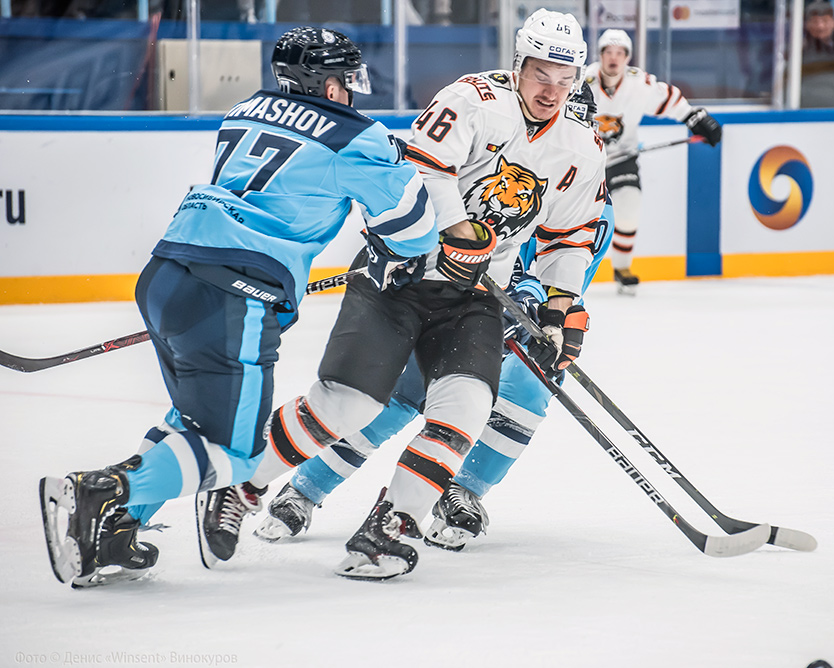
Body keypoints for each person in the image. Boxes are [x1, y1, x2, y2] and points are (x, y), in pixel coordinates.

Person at [38, 26, 439, 588]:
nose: (352, 92)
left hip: (167, 271)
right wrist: (402, 255)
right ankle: (102, 490)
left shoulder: (246, 109)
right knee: (238, 453)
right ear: (325, 84)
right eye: (346, 81)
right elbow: (413, 222)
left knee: (195, 418)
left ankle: (115, 531)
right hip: (234, 294)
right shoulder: (356, 136)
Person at [213, 9, 608, 581]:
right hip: (401, 273)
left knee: (467, 406)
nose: (551, 89)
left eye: (564, 77)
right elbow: (421, 169)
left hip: (474, 295)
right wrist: (453, 231)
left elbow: (568, 236)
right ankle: (241, 488)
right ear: (519, 65)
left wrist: (558, 306)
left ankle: (392, 524)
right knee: (348, 405)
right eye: (541, 73)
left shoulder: (582, 147)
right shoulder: (472, 99)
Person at [254, 186, 615, 551]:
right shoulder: (493, 150)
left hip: (523, 308)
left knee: (534, 383)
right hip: (454, 297)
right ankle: (305, 489)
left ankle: (464, 491)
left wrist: (541, 307)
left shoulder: (589, 196)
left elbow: (568, 274)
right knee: (399, 397)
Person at [583, 29, 721, 293]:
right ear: (600, 56)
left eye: (620, 53)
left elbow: (669, 99)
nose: (614, 59)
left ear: (627, 57)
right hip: (586, 160)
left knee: (629, 205)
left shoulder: (639, 84)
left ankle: (622, 267)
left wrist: (696, 119)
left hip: (623, 157)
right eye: (608, 53)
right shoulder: (582, 82)